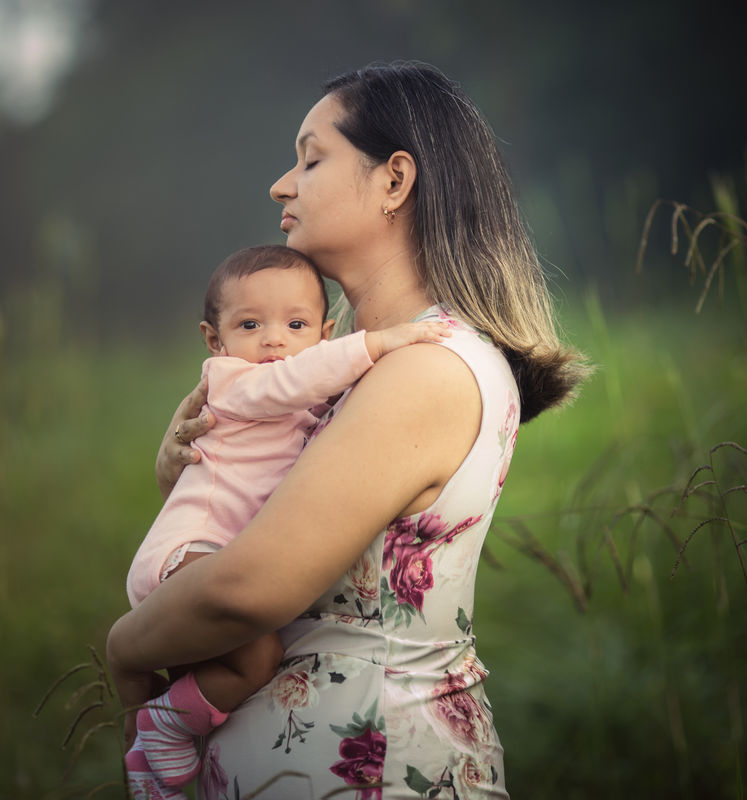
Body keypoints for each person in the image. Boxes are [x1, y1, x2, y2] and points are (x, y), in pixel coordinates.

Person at [107, 63, 588, 799]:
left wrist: (125, 646)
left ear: (395, 181)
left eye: (311, 157)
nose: (281, 185)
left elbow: (250, 588)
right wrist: (191, 476)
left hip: (379, 768)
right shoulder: (349, 366)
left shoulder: (423, 368)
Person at [124, 243, 452, 796]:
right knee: (260, 654)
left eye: (296, 324)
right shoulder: (232, 382)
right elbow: (294, 381)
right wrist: (377, 343)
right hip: (187, 555)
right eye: (250, 323)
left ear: (322, 332)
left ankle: (159, 745)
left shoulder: (307, 402)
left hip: (222, 561)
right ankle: (162, 726)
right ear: (215, 339)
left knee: (241, 669)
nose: (274, 339)